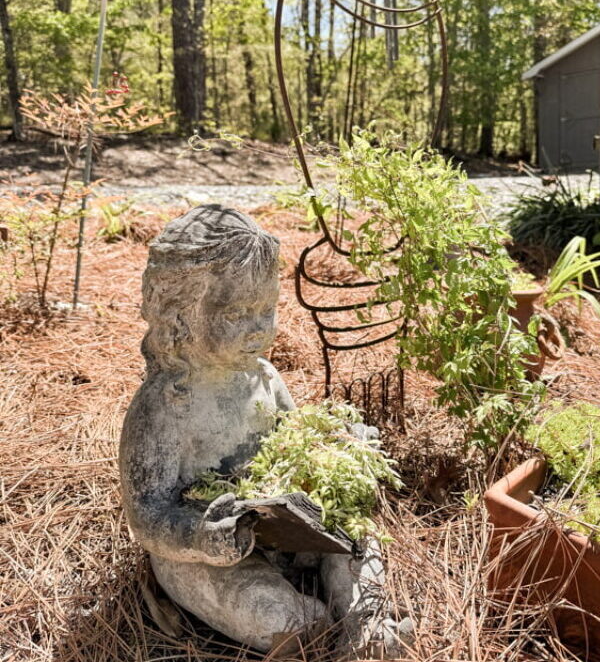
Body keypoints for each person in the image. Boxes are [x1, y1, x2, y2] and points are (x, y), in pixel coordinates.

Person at [119, 205, 406, 654]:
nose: (257, 329)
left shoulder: (265, 378)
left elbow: (296, 441)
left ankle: (363, 626)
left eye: (265, 310)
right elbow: (147, 515)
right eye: (236, 314)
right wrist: (201, 537)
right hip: (204, 555)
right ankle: (311, 631)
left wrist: (337, 447)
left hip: (286, 529)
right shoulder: (164, 405)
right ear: (179, 313)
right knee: (279, 617)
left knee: (357, 543)